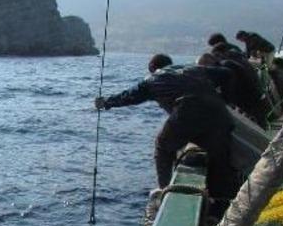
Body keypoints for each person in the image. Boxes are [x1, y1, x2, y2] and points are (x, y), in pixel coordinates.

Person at [94, 54, 240, 202]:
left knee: (163, 146)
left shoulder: (153, 79)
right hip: (220, 114)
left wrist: (106, 102)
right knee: (220, 162)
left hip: (188, 110)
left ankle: (165, 191)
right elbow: (227, 73)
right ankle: (225, 201)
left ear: (152, 68)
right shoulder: (193, 69)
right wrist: (227, 100)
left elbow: (128, 96)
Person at [197, 53, 269, 127]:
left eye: (205, 67)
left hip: (250, 100)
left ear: (208, 63)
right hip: (255, 96)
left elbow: (230, 90)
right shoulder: (227, 63)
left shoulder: (226, 68)